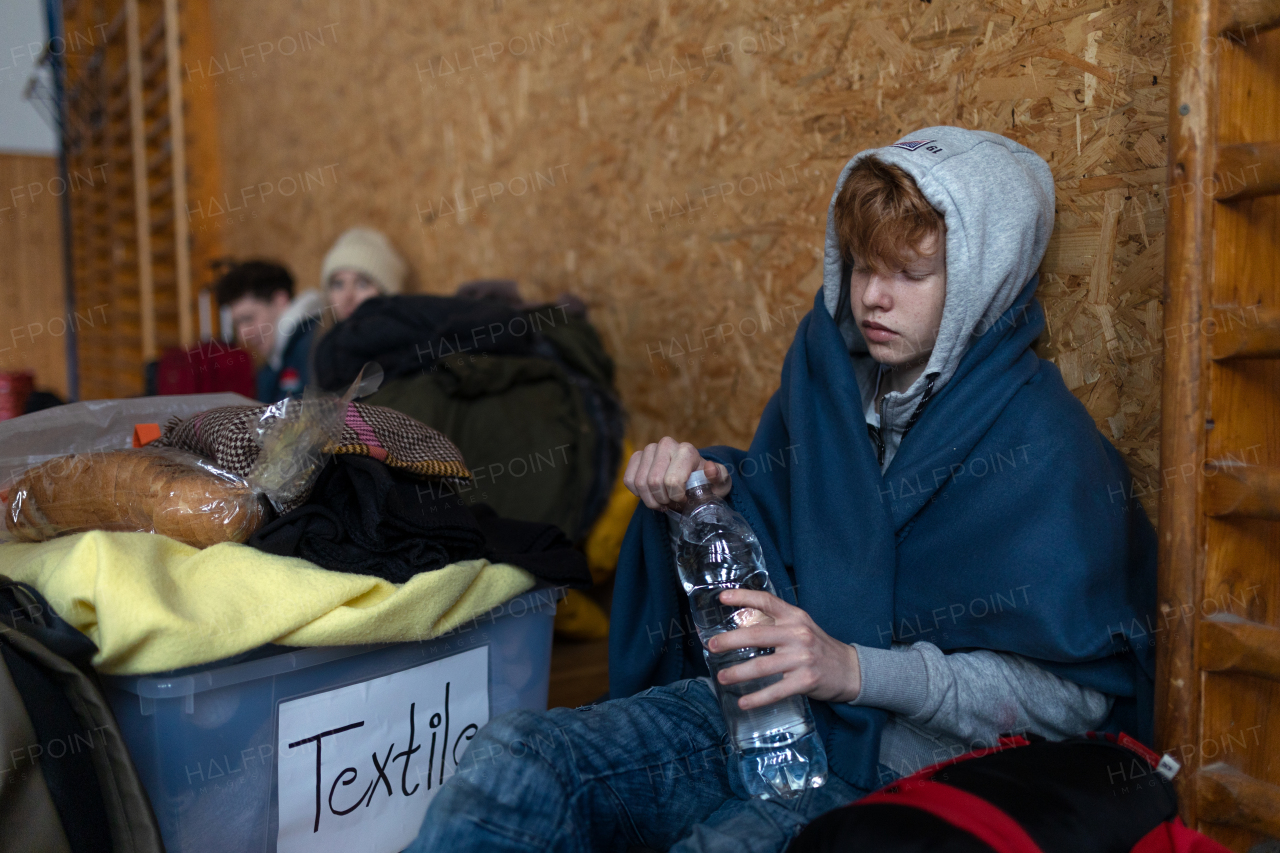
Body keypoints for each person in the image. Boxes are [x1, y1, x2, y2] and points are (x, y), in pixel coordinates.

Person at [405, 127, 1157, 851]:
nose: (874, 298)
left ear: (983, 277)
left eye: (909, 273)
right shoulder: (828, 384)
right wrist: (703, 499)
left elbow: (1072, 705)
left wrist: (855, 668)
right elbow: (784, 554)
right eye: (864, 266)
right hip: (764, 711)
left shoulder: (1046, 450)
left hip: (904, 760)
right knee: (516, 757)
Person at [213, 260, 324, 403]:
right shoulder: (275, 360)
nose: (242, 334)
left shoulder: (314, 346)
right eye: (237, 325)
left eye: (248, 319)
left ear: (279, 301)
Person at [322, 226, 408, 322]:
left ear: (386, 294)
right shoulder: (311, 332)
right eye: (338, 284)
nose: (347, 296)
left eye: (362, 284)